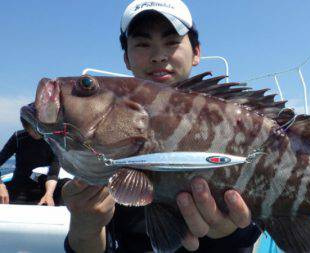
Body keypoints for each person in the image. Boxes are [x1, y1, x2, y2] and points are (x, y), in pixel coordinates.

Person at [63, 1, 259, 252]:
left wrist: (234, 235)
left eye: (171, 42)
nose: (158, 56)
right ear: (126, 58)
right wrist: (84, 225)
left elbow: (256, 219)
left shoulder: (234, 117)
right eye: (143, 44)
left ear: (196, 51)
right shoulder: (102, 134)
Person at [0, 117, 63, 206]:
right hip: (19, 187)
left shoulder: (54, 140)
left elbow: (53, 173)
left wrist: (49, 194)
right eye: (30, 128)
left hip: (46, 187)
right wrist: (1, 186)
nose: (35, 131)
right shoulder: (18, 137)